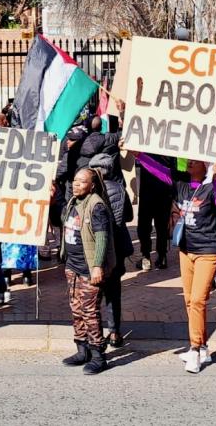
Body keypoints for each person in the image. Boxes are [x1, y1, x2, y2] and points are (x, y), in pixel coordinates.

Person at [135, 154, 216, 372]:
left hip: (208, 251)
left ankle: (195, 350)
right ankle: (203, 346)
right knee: (189, 301)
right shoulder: (181, 184)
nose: (190, 162)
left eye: (195, 161)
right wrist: (137, 155)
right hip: (186, 250)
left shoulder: (212, 186)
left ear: (206, 165)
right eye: (189, 160)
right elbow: (157, 170)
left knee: (197, 300)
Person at [60, 168, 117, 375]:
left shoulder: (96, 206)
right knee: (76, 310)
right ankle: (81, 350)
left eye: (81, 182)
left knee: (90, 312)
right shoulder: (73, 203)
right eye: (74, 180)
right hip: (72, 267)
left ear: (92, 185)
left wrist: (97, 266)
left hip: (88, 269)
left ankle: (98, 355)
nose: (76, 184)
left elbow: (102, 238)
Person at [89, 153, 134, 347]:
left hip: (97, 247)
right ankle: (114, 332)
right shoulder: (120, 188)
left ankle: (95, 334)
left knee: (94, 293)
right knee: (114, 292)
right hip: (117, 247)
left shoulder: (90, 191)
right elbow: (129, 216)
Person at [135, 152, 174, 270]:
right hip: (164, 192)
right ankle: (161, 256)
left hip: (149, 192)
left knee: (145, 226)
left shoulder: (146, 149)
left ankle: (147, 256)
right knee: (161, 226)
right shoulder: (168, 150)